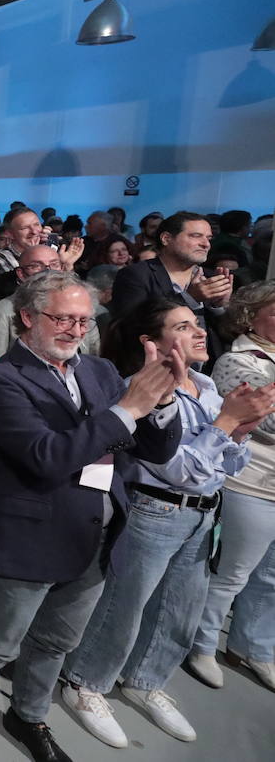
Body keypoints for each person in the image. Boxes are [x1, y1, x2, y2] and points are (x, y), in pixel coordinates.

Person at [0, 271, 183, 762]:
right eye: (63, 318)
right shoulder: (0, 379)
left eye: (84, 319)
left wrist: (160, 401)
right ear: (27, 317)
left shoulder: (99, 372)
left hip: (95, 533)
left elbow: (155, 448)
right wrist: (126, 410)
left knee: (55, 643)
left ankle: (28, 715)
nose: (76, 329)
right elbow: (44, 455)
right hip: (26, 539)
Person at [61, 296, 271, 748]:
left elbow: (227, 466)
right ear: (151, 343)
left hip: (202, 512)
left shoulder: (205, 386)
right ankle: (86, 683)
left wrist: (239, 429)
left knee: (180, 605)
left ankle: (144, 678)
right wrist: (227, 425)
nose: (199, 332)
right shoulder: (142, 390)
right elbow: (175, 467)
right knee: (126, 605)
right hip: (155, 510)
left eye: (197, 323)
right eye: (182, 326)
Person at [190, 279, 275, 692]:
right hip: (252, 482)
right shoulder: (238, 360)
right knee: (233, 573)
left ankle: (255, 648)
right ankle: (202, 645)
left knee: (272, 576)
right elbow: (267, 422)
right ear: (250, 316)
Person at [111, 212, 233, 355]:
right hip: (156, 367)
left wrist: (218, 306)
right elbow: (130, 327)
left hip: (205, 370)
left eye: (208, 238)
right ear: (166, 239)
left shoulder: (212, 277)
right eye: (196, 236)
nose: (206, 244)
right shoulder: (136, 275)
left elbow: (229, 336)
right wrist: (189, 299)